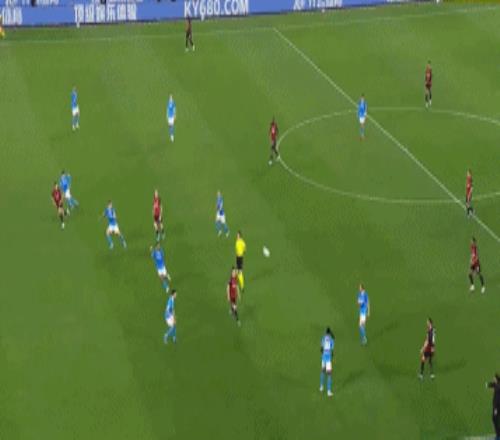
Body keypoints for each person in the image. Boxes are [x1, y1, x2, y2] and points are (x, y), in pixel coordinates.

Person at [319, 327, 335, 397]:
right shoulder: (331, 340)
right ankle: (328, 391)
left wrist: (323, 353)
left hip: (323, 357)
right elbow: (332, 350)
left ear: (326, 332)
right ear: (330, 333)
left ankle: (321, 387)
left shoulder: (323, 338)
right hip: (328, 358)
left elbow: (321, 348)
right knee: (329, 374)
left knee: (322, 371)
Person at [486, 373, 500, 440]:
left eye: (494, 378)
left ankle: (498, 435)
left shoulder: (498, 387)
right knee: (495, 419)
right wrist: (488, 385)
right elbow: (493, 384)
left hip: (497, 407)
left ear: (497, 379)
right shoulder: (497, 385)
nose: (493, 379)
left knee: (494, 419)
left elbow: (497, 399)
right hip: (496, 406)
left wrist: (496, 409)